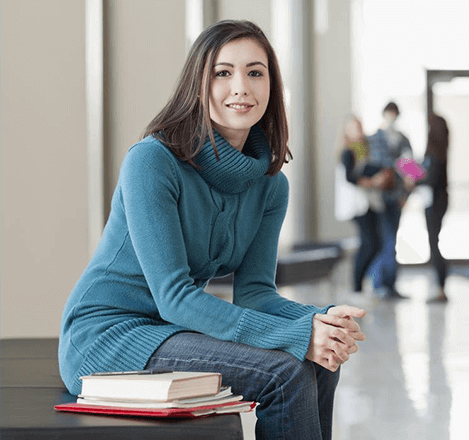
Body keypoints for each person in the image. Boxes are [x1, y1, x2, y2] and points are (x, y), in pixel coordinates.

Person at [59, 20, 366, 440]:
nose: (241, 87)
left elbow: (256, 293)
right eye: (223, 73)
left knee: (318, 360)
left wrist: (321, 321)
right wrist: (298, 334)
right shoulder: (152, 162)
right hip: (109, 337)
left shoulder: (271, 185)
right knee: (284, 373)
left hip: (173, 332)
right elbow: (174, 298)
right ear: (198, 85)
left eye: (255, 73)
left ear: (272, 87)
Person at [335, 114, 393, 294]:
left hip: (375, 202)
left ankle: (367, 284)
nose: (358, 131)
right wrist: (373, 182)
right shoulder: (347, 151)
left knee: (379, 243)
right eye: (354, 127)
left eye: (359, 126)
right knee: (371, 243)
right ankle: (360, 285)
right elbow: (350, 177)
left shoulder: (369, 148)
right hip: (360, 204)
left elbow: (384, 166)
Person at [367, 101, 413, 299]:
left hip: (396, 197)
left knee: (392, 241)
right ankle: (379, 283)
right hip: (378, 198)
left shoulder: (403, 139)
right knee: (381, 240)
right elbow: (370, 165)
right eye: (389, 113)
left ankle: (390, 284)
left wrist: (406, 194)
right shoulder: (374, 138)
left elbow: (411, 170)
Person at [407, 114, 450, 303]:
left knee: (434, 244)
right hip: (441, 200)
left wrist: (414, 177)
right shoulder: (441, 152)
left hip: (434, 202)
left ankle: (441, 288)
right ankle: (441, 287)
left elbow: (430, 180)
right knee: (435, 242)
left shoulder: (433, 154)